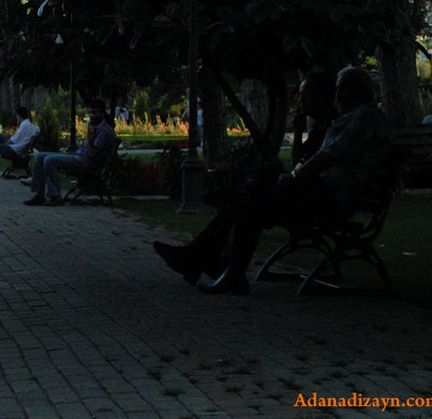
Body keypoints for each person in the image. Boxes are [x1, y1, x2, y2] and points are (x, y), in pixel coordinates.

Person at [158, 67, 391, 295]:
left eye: (343, 89)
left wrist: (293, 178)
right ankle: (211, 263)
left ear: (358, 90)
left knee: (250, 200)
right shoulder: (358, 117)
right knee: (250, 195)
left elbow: (328, 156)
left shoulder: (363, 118)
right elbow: (314, 157)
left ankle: (221, 269)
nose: (338, 96)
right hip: (322, 193)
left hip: (328, 199)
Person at [23, 100, 118, 207]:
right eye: (90, 112)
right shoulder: (94, 127)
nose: (91, 116)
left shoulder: (104, 130)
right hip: (78, 156)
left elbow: (93, 154)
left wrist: (89, 138)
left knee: (49, 160)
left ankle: (55, 196)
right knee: (39, 156)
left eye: (95, 112)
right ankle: (39, 195)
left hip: (88, 163)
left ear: (102, 113)